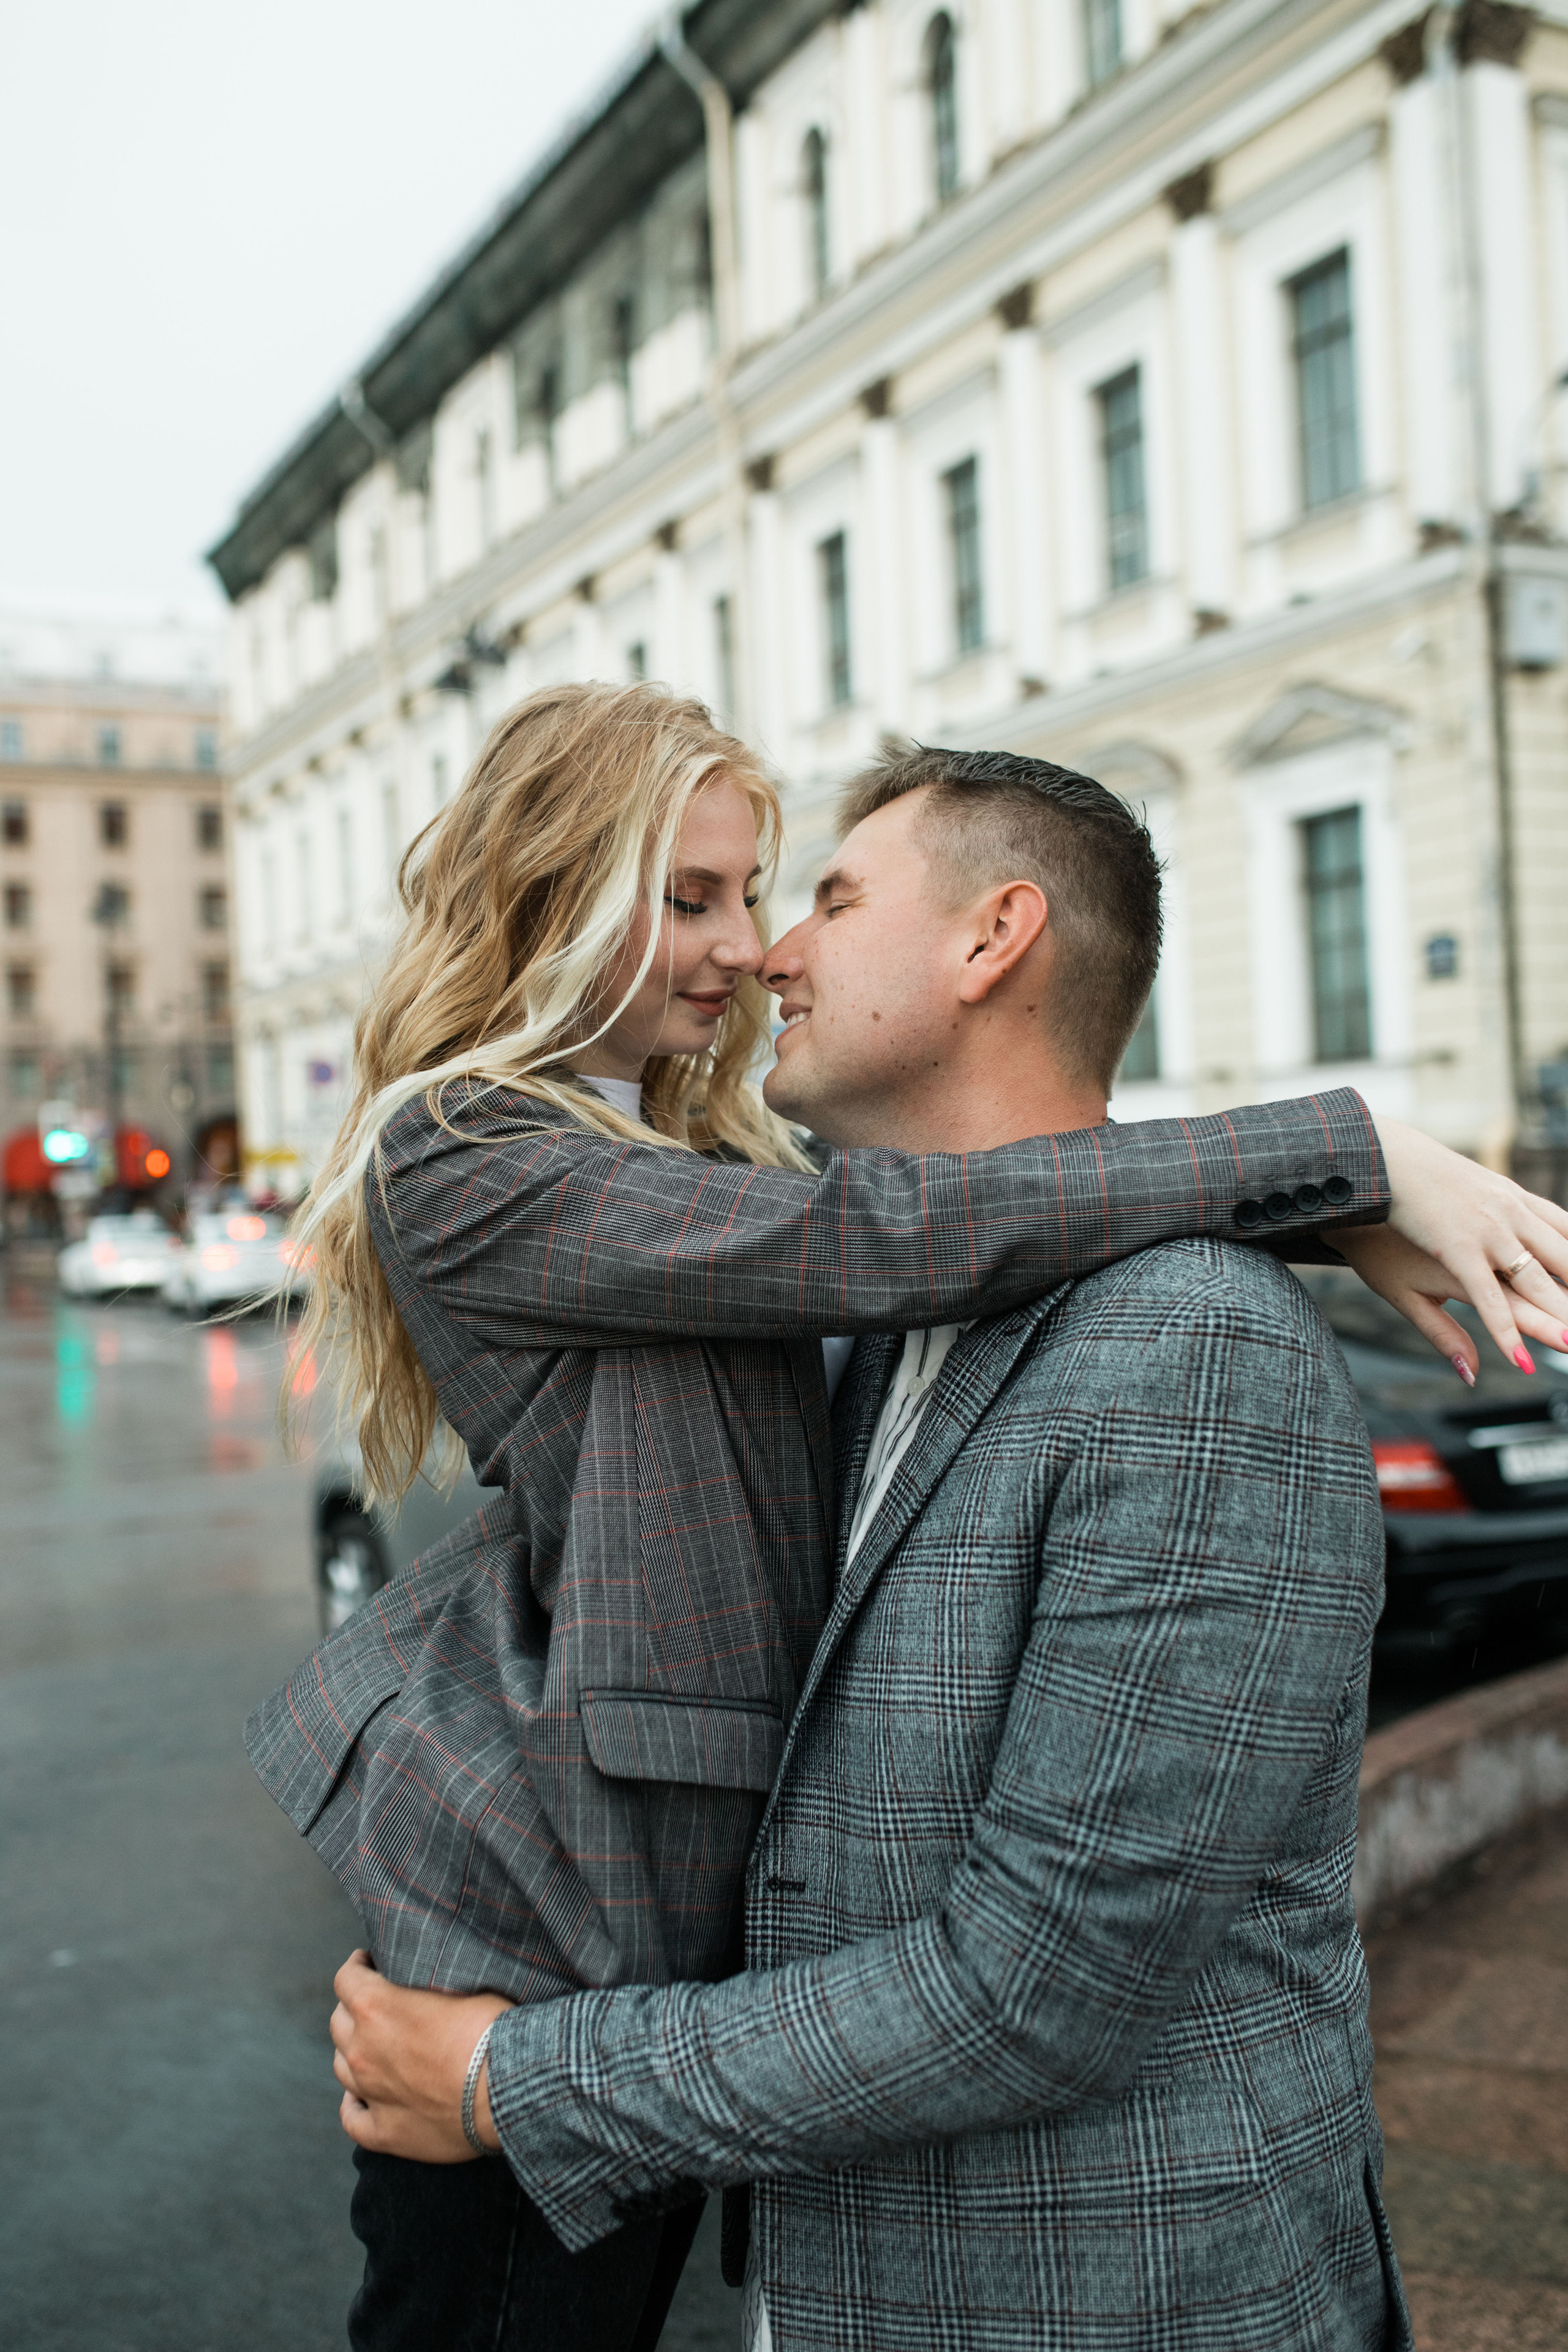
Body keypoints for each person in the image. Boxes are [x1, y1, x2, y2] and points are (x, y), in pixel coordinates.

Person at [257, 688, 1567, 2351]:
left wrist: (1325, 1201)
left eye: (815, 897)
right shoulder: (485, 1154)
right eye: (705, 899)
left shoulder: (1188, 1352)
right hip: (537, 1926)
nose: (767, 950)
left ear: (995, 938)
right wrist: (1346, 1155)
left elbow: (1041, 1985)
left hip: (1110, 2293)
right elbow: (896, 1237)